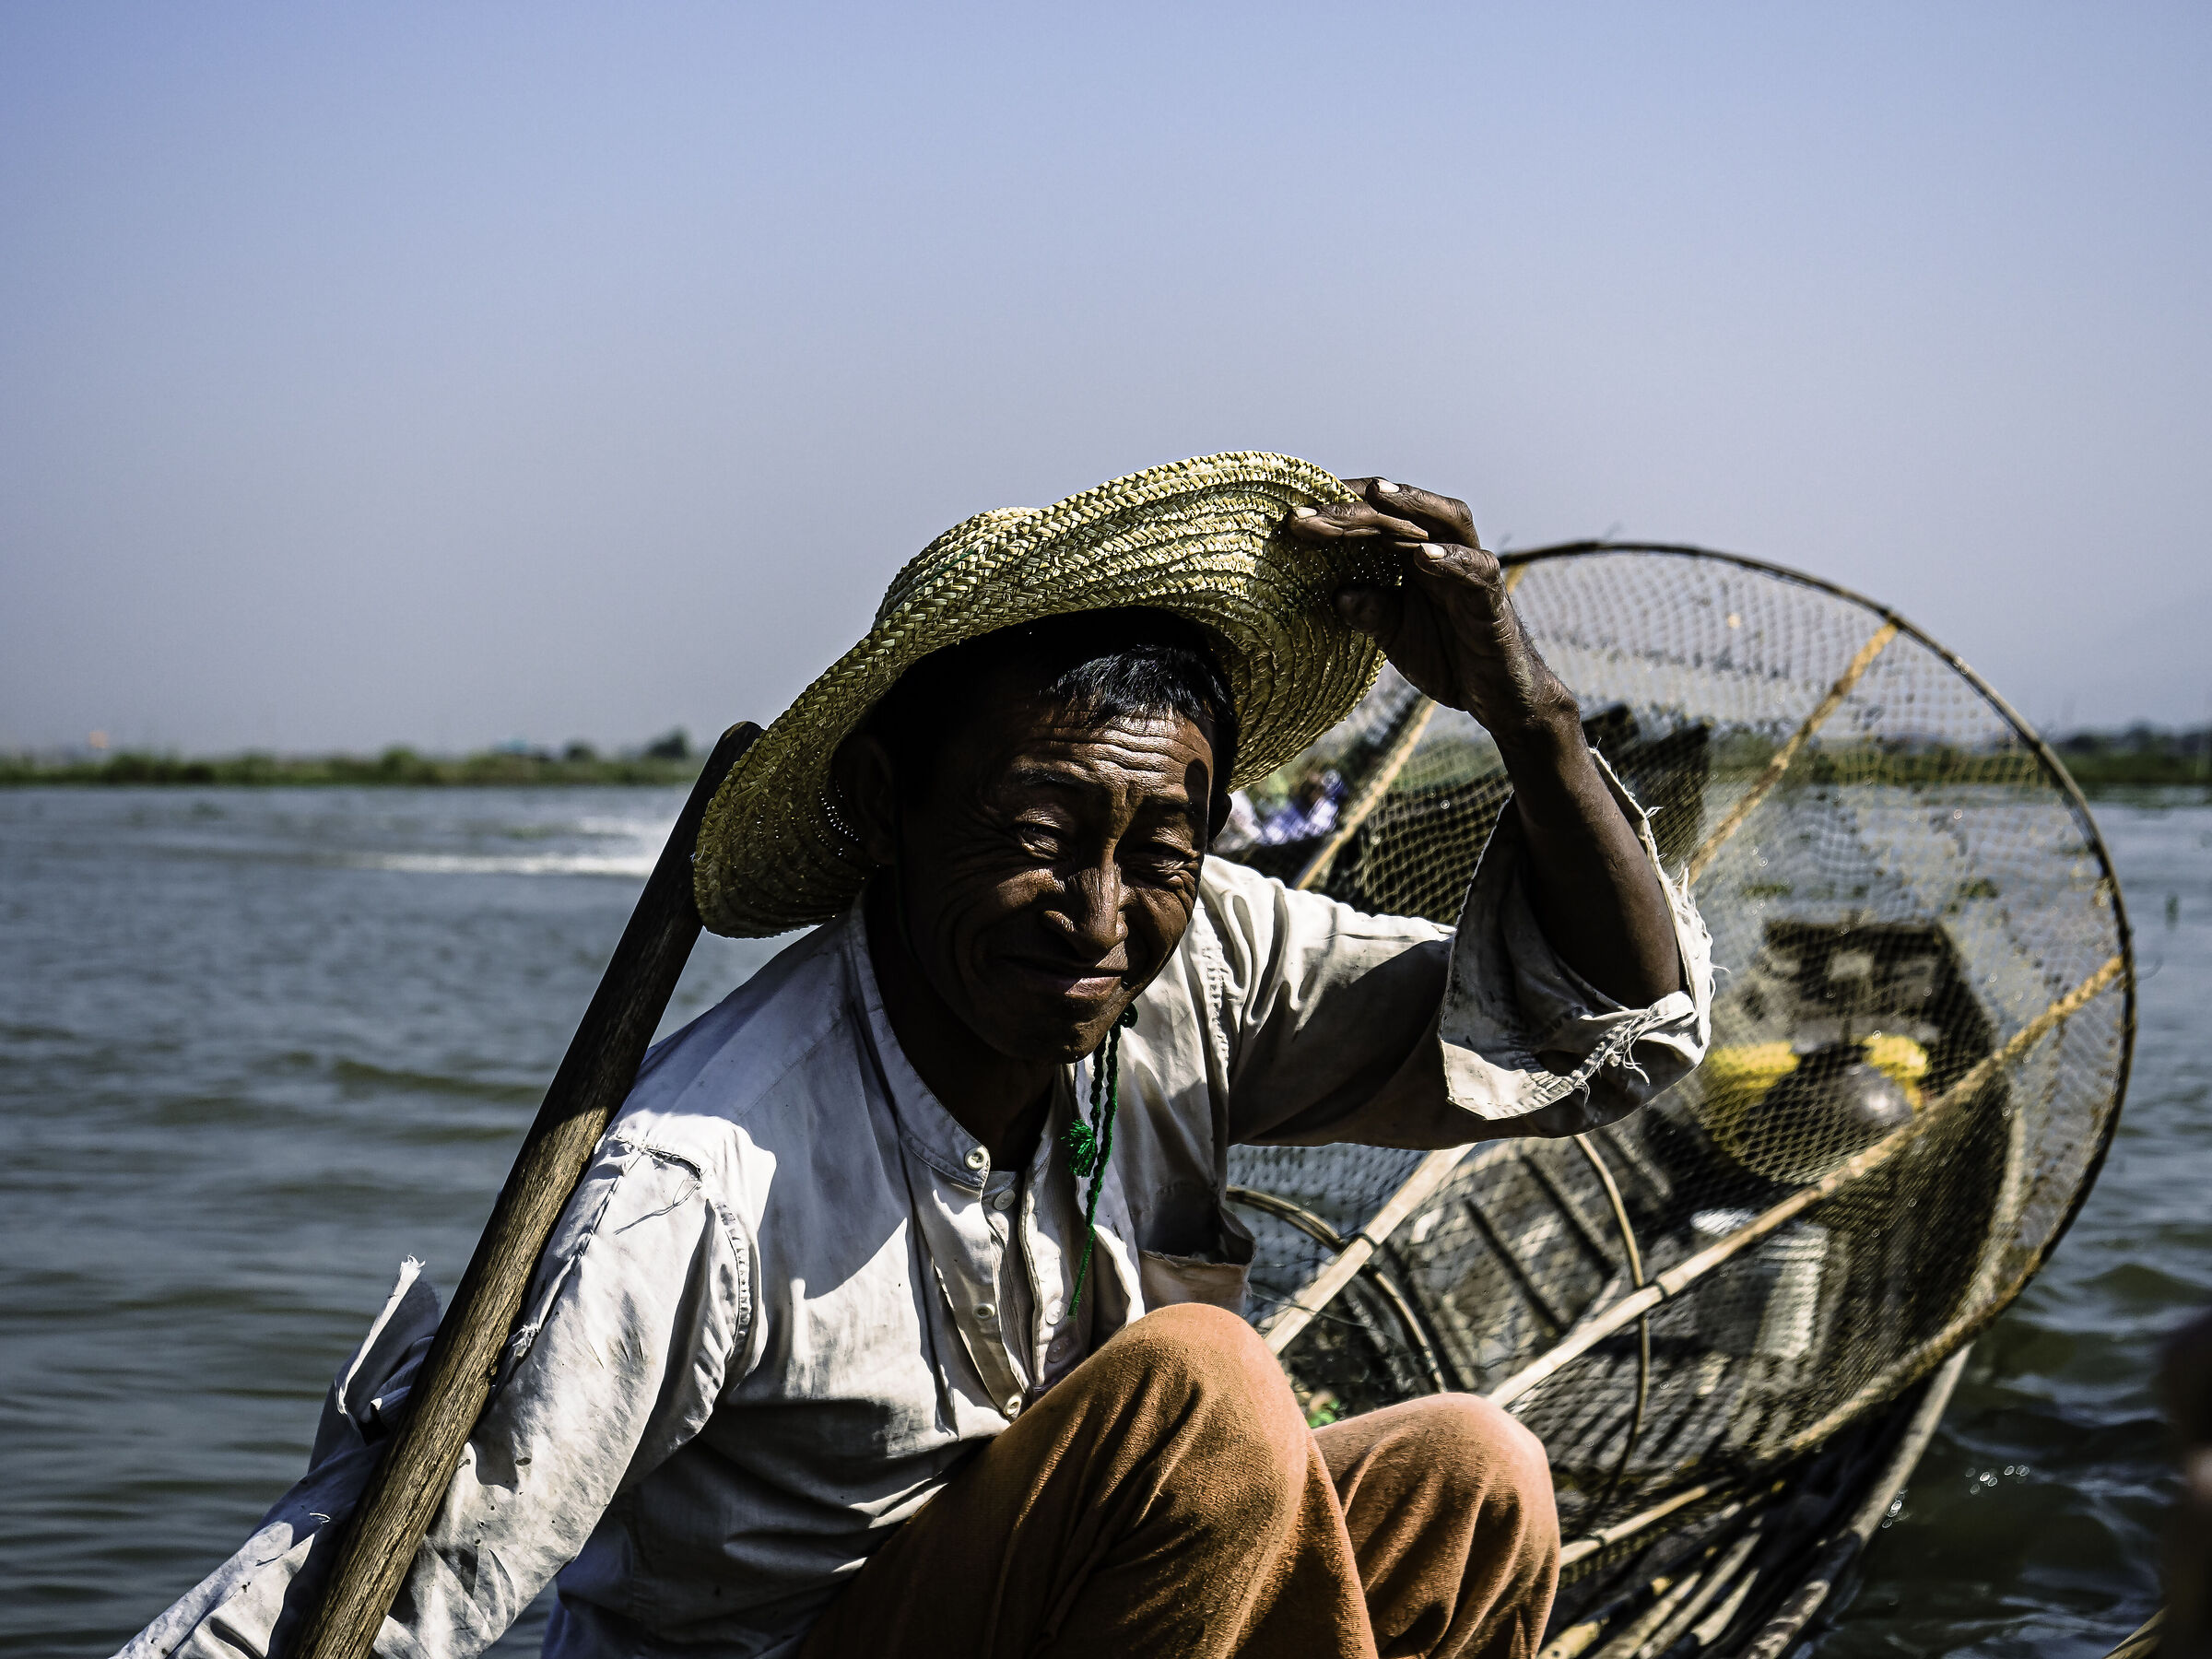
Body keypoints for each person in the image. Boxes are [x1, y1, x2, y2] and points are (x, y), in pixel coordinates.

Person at [122, 453, 1712, 1659]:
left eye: (1156, 846)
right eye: (1033, 836)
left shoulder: (1200, 948)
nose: (1099, 916)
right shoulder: (706, 1176)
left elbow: (1614, 1037)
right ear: (887, 810)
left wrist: (1532, 719)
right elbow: (411, 1565)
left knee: (1471, 1472)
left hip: (1051, 1605)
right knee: (1206, 1394)